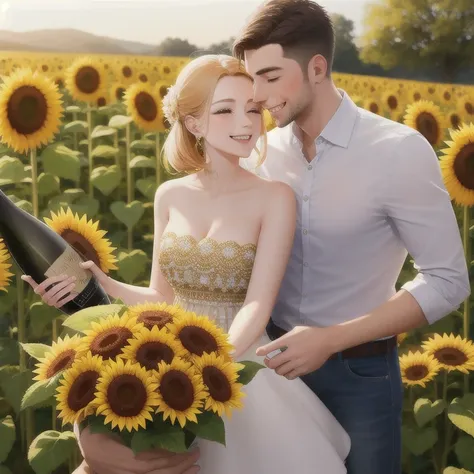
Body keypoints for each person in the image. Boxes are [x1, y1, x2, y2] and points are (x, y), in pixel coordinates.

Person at [22, 54, 351, 474]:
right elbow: (161, 295)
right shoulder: (170, 195)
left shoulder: (275, 198)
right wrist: (100, 280)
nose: (246, 122)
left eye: (252, 109)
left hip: (236, 364)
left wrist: (214, 367)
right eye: (225, 110)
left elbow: (257, 304)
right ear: (193, 123)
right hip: (168, 361)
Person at [231, 1, 471, 473]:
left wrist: (331, 339)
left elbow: (448, 279)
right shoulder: (261, 149)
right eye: (252, 77)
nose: (257, 95)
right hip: (267, 368)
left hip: (359, 375)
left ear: (317, 68)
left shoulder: (398, 152)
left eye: (271, 76)